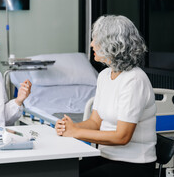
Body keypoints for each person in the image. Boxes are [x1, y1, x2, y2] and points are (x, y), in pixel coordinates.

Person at [56, 15, 156, 177]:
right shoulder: (104, 75)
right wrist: (69, 128)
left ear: (113, 44)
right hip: (105, 157)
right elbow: (95, 122)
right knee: (62, 172)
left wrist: (75, 132)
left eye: (96, 40)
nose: (91, 44)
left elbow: (122, 137)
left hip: (134, 165)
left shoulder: (135, 80)